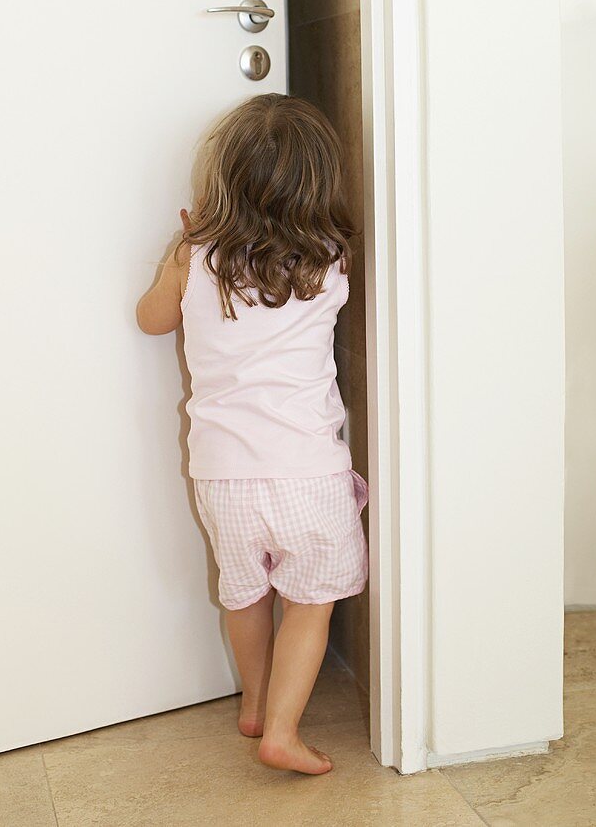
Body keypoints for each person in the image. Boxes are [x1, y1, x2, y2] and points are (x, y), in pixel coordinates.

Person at [136, 92, 368, 775]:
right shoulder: (330, 259)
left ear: (222, 181)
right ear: (318, 184)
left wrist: (177, 255)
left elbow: (152, 321)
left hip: (222, 476)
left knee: (244, 594)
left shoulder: (194, 254)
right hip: (308, 474)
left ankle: (254, 705)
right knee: (310, 602)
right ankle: (284, 733)